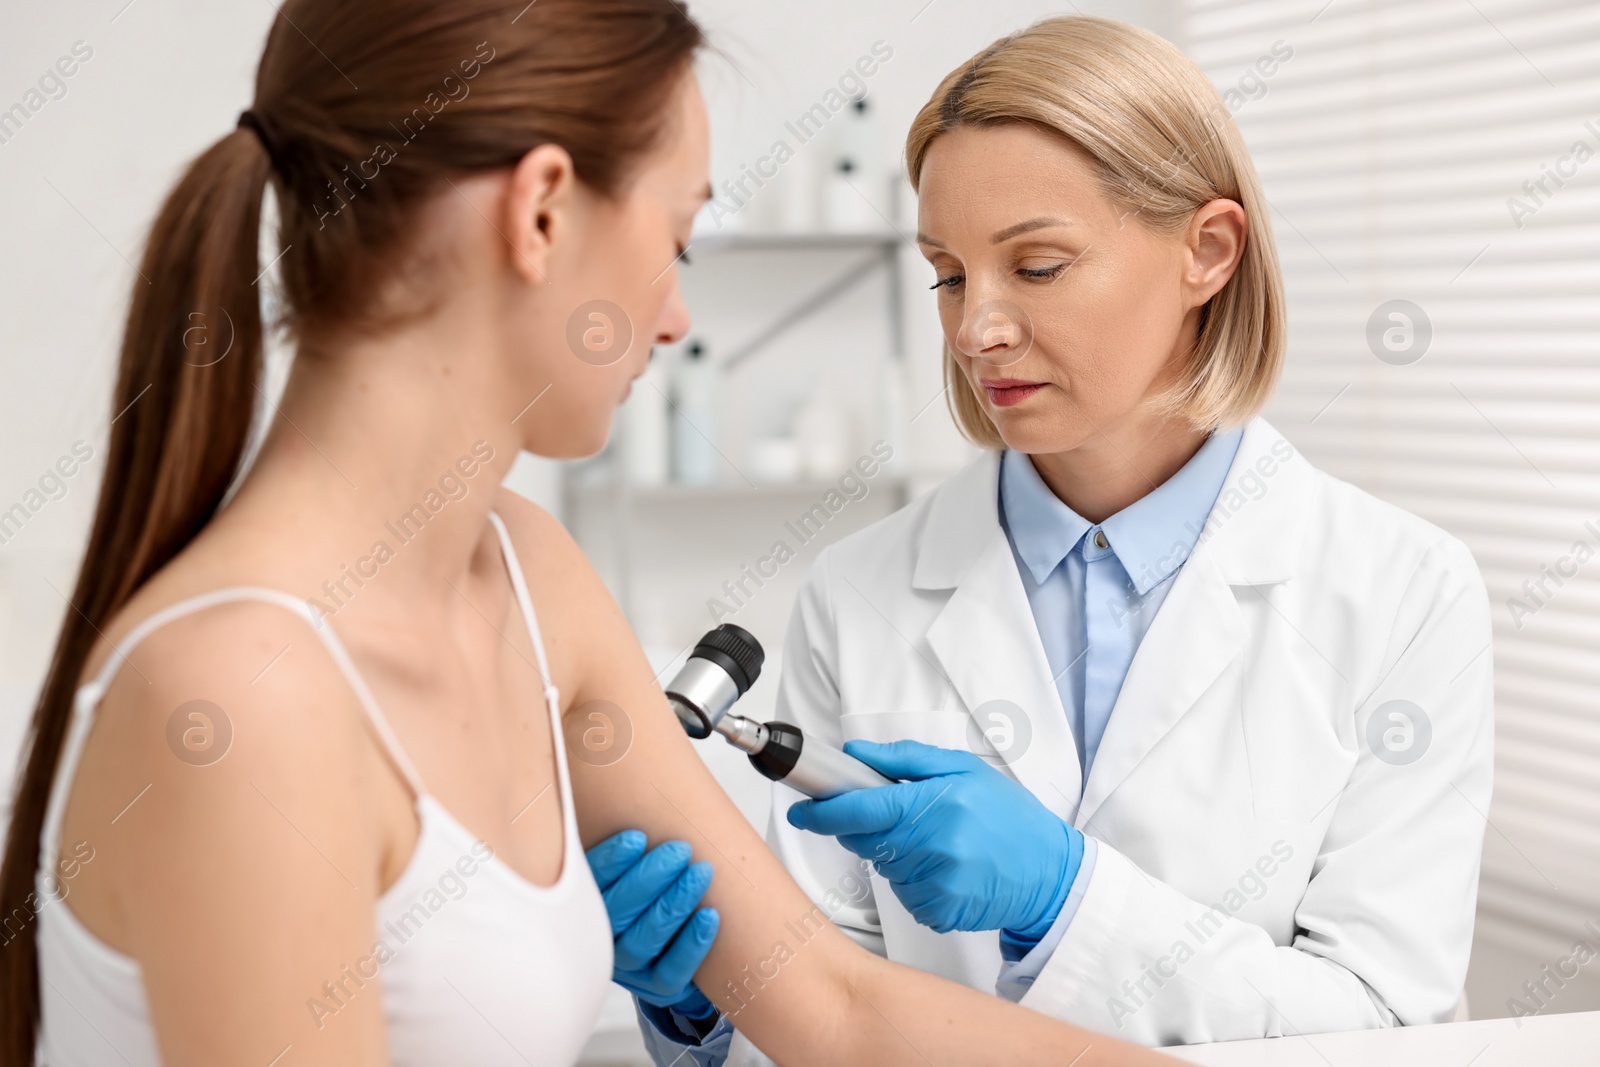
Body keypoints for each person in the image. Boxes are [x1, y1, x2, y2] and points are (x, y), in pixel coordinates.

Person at [0, 4, 1181, 1066]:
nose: (674, 319)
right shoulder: (240, 696)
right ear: (544, 208)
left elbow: (832, 1005)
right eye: (674, 243)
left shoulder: (524, 575)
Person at [636, 16, 1494, 1064]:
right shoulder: (857, 588)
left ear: (1206, 251)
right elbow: (824, 1000)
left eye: (1036, 266)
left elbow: (1383, 1027)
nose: (973, 328)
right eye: (949, 273)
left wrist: (1066, 900)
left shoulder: (1403, 591)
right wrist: (703, 1008)